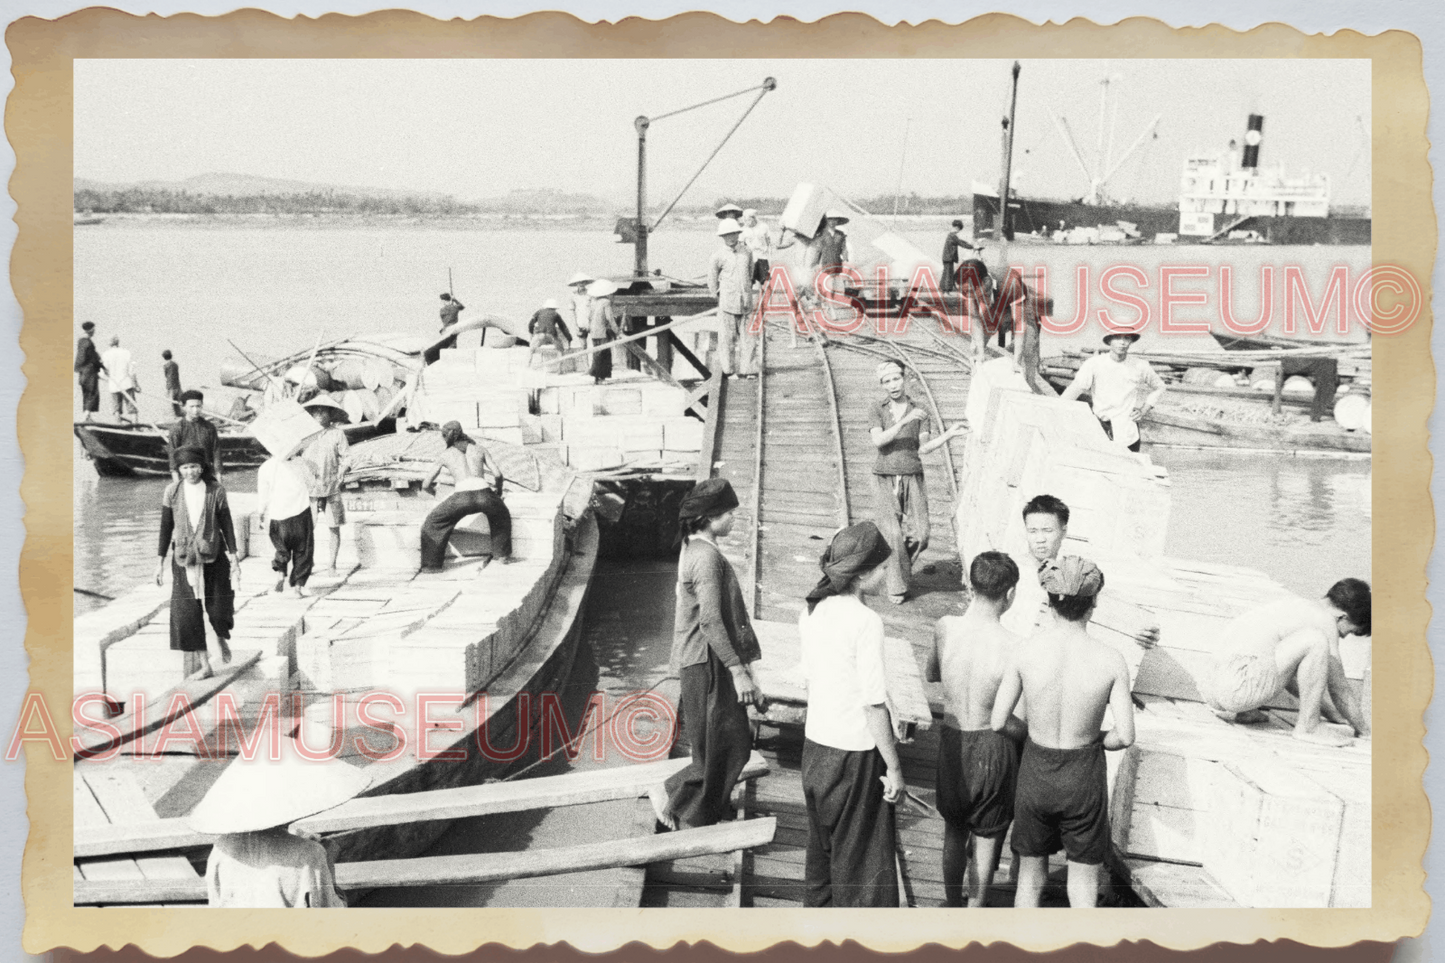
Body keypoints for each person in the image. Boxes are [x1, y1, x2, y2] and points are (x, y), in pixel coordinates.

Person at [991, 555, 1135, 908]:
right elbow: (1126, 736)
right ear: (1094, 603)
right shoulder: (1111, 659)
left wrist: (1027, 733)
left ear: (1049, 601)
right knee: (1083, 882)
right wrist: (1100, 740)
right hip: (1083, 773)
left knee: (1029, 877)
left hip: (1037, 769)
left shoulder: (1026, 651)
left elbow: (998, 721)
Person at [797, 521, 904, 907]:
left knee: (821, 850)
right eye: (882, 568)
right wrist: (894, 767)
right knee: (860, 861)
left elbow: (811, 679)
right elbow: (874, 704)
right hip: (854, 757)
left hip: (815, 749)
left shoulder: (811, 610)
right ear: (862, 574)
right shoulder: (866, 622)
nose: (886, 573)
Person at [651, 479, 765, 832]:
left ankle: (703, 811)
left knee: (722, 743)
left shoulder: (693, 547)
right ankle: (672, 796)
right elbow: (712, 620)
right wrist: (739, 671)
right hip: (706, 660)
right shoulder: (706, 558)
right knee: (724, 745)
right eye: (729, 514)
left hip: (702, 657)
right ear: (709, 517)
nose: (734, 519)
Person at [926, 551, 1026, 908]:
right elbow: (1016, 714)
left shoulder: (944, 627)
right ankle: (976, 909)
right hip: (991, 743)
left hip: (953, 738)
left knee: (954, 830)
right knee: (987, 836)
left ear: (970, 585)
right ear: (1010, 594)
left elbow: (932, 674)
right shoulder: (1016, 646)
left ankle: (952, 903)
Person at [187, 737, 367, 908]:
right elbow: (329, 916)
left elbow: (217, 906)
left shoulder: (221, 849)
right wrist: (328, 862)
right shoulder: (309, 854)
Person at [1201, 579, 1370, 747]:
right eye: (1351, 632)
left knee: (1271, 652)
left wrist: (1335, 715)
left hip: (1211, 690)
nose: (1343, 637)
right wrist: (1364, 730)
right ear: (1343, 617)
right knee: (1316, 641)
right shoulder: (1326, 620)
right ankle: (1308, 728)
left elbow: (1291, 675)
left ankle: (1246, 712)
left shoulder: (1294, 606)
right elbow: (1338, 688)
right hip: (1237, 691)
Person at [869, 359, 967, 604]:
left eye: (896, 378)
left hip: (913, 474)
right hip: (884, 475)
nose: (892, 385)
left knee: (922, 534)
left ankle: (895, 570)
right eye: (886, 381)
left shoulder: (920, 409)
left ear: (905, 378)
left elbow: (924, 449)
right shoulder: (877, 408)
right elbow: (879, 441)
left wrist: (949, 434)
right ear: (882, 384)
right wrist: (904, 421)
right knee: (891, 533)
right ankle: (896, 586)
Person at [1014, 494, 1159, 648]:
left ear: (1064, 532)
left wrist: (1143, 633)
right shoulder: (1010, 570)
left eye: (1047, 531)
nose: (1040, 538)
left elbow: (1112, 614)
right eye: (1033, 531)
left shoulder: (1076, 574)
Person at [154, 446, 238, 681]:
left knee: (219, 610)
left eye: (194, 466)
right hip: (183, 558)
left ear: (202, 467)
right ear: (179, 470)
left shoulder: (216, 490)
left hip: (214, 555)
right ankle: (205, 665)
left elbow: (227, 524)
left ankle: (220, 637)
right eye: (185, 467)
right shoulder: (171, 491)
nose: (190, 471)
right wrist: (159, 563)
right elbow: (165, 528)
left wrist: (234, 556)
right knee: (187, 614)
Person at [418, 421, 512, 571]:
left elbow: (425, 485)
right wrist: (498, 492)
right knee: (501, 516)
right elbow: (498, 474)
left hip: (461, 497)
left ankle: (431, 566)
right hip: (485, 493)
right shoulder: (479, 449)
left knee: (433, 523)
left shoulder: (445, 455)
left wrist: (435, 494)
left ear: (445, 437)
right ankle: (502, 556)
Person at [1059, 331, 1167, 452]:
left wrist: (1143, 410)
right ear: (1109, 340)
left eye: (1126, 338)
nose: (1122, 342)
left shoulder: (1139, 365)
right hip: (1100, 428)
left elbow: (1160, 387)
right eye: (1117, 338)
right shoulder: (1094, 364)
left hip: (1128, 432)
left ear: (1131, 341)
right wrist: (1058, 412)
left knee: (1129, 468)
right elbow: (1075, 390)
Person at [300, 395, 351, 573]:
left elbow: (347, 457)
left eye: (324, 411)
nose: (320, 414)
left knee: (334, 527)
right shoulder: (304, 434)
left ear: (330, 414)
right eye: (316, 411)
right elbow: (292, 455)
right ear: (312, 414)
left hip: (331, 488)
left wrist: (342, 471)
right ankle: (307, 563)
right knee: (307, 530)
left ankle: (332, 564)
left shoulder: (337, 434)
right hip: (309, 490)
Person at [257, 446, 315, 598]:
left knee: (282, 549)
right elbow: (311, 484)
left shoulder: (266, 467)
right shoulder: (301, 463)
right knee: (303, 551)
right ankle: (297, 588)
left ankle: (280, 574)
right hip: (300, 512)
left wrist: (261, 512)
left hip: (278, 515)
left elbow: (263, 494)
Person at [708, 218, 757, 378]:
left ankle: (747, 370)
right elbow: (712, 280)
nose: (731, 238)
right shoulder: (717, 256)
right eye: (727, 235)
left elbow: (750, 274)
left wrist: (746, 290)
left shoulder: (747, 252)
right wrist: (717, 296)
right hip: (727, 303)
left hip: (746, 302)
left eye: (734, 234)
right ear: (722, 236)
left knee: (749, 339)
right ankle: (729, 372)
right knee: (726, 340)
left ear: (738, 234)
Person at [168, 389, 222, 485]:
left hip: (206, 474)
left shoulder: (209, 427)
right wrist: (176, 484)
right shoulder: (177, 429)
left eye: (198, 406)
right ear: (183, 407)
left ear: (202, 405)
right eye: (191, 406)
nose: (195, 410)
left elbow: (216, 453)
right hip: (186, 476)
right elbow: (173, 457)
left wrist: (219, 480)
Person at [804, 211, 852, 296]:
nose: (833, 221)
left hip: (837, 264)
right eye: (830, 219)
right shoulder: (821, 235)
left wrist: (846, 260)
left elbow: (844, 248)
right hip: (824, 264)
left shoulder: (840, 235)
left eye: (835, 220)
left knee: (837, 291)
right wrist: (814, 265)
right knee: (826, 290)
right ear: (826, 221)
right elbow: (816, 251)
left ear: (837, 221)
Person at [586, 279, 618, 384]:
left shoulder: (593, 302)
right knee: (604, 354)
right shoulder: (606, 302)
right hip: (602, 331)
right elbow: (610, 318)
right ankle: (601, 378)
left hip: (594, 331)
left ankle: (596, 377)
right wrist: (616, 330)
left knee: (597, 353)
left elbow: (589, 317)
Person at [101, 335, 139, 422]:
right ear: (118, 342)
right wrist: (136, 385)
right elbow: (132, 371)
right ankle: (135, 427)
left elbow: (102, 373)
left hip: (113, 386)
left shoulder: (105, 355)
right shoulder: (126, 352)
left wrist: (109, 380)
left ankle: (119, 426)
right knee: (132, 407)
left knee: (116, 409)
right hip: (127, 383)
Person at [527, 298, 572, 370]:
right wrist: (569, 338)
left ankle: (528, 366)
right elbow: (563, 327)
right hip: (551, 335)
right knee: (560, 350)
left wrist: (531, 334)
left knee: (531, 350)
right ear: (554, 307)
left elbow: (530, 324)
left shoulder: (539, 312)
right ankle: (559, 369)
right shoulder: (556, 314)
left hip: (539, 335)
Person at [939, 219, 978, 293]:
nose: (958, 231)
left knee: (946, 273)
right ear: (957, 227)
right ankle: (946, 290)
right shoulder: (953, 236)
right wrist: (972, 247)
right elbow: (961, 243)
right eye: (959, 229)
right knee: (948, 273)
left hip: (947, 257)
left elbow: (960, 241)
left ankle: (943, 289)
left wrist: (970, 244)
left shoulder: (951, 235)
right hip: (948, 258)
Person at [740, 209, 776, 288]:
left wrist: (771, 255)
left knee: (765, 281)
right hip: (750, 258)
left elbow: (769, 241)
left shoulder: (763, 226)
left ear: (754, 218)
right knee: (750, 280)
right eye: (744, 220)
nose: (746, 222)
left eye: (748, 220)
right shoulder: (743, 230)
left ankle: (765, 298)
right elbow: (741, 244)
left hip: (763, 257)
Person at [74, 321, 102, 421]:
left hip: (82, 373)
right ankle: (86, 416)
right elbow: (93, 359)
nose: (94, 331)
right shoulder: (88, 343)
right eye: (93, 330)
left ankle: (87, 417)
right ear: (91, 330)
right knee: (92, 393)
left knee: (86, 393)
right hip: (89, 372)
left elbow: (81, 359)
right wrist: (101, 366)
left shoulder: (81, 342)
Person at [162, 349, 182, 415]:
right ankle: (178, 413)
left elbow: (168, 377)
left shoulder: (166, 366)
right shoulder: (175, 364)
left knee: (171, 401)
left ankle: (174, 415)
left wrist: (167, 388)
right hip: (177, 385)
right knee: (177, 400)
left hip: (171, 386)